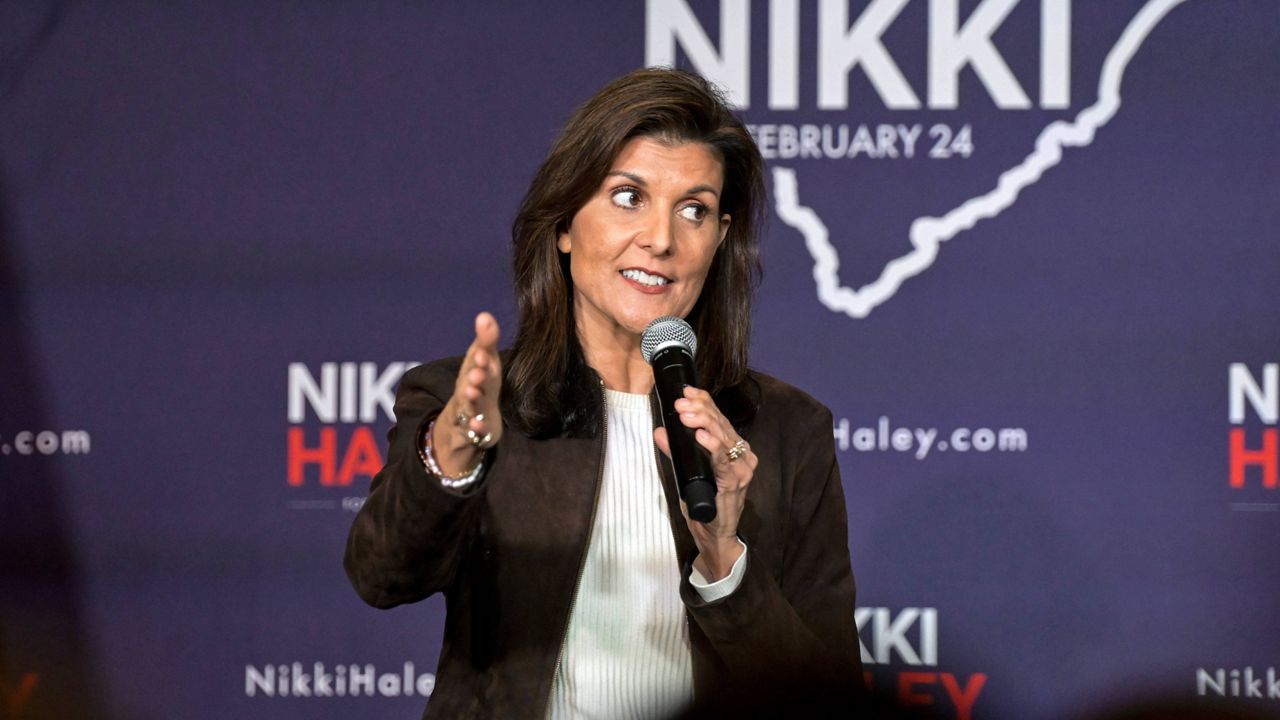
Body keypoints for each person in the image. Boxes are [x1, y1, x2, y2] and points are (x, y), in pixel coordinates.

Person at [344, 67, 862, 719]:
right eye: (628, 197)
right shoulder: (468, 401)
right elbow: (381, 576)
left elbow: (829, 693)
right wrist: (451, 458)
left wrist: (727, 564)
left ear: (720, 240)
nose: (661, 239)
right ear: (565, 223)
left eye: (694, 210)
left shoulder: (786, 430)